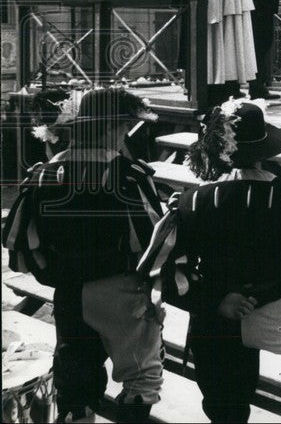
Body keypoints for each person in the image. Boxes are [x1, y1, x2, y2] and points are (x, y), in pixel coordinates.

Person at [138, 100, 281, 423]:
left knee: (225, 408)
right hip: (273, 310)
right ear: (264, 150)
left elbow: (160, 270)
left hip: (213, 315)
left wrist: (216, 299)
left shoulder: (190, 201)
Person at [3, 88, 164, 423]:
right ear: (108, 128)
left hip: (68, 294)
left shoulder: (42, 175)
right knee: (141, 377)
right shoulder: (129, 175)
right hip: (120, 292)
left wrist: (60, 273)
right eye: (123, 126)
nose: (125, 134)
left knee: (75, 380)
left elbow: (20, 246)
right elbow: (154, 246)